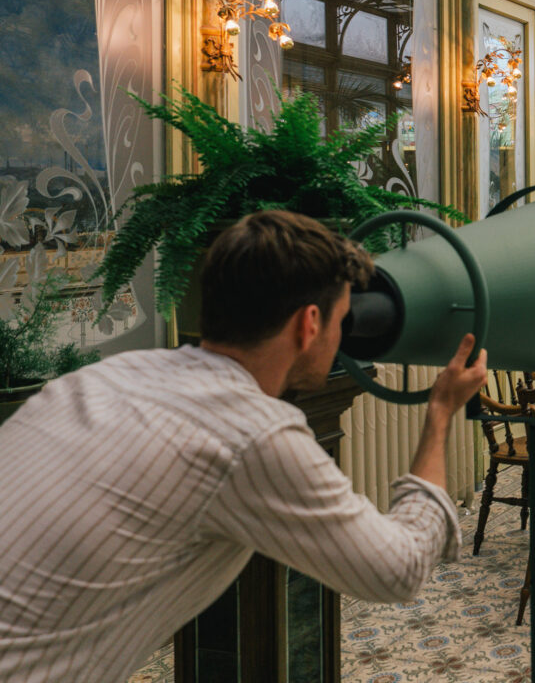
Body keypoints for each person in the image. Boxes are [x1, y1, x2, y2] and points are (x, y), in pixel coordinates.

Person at [0, 211, 488, 683]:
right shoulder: (249, 434)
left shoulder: (101, 377)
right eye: (343, 318)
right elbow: (398, 572)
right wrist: (441, 413)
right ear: (309, 324)